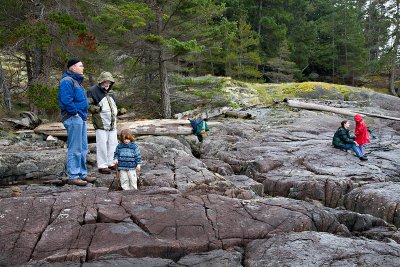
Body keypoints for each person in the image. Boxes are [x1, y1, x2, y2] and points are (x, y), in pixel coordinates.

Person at [58, 57, 96, 185]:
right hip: (73, 117)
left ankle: (82, 174)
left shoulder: (76, 82)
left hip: (80, 118)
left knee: (83, 147)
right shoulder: (67, 81)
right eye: (80, 65)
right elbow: (66, 100)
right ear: (73, 67)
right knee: (75, 148)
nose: (83, 67)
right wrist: (75, 113)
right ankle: (73, 176)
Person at [87, 72, 118, 174]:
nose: (107, 83)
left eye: (109, 81)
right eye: (105, 81)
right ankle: (102, 165)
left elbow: (113, 106)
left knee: (113, 143)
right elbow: (88, 105)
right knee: (102, 145)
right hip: (100, 123)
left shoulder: (111, 92)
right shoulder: (92, 91)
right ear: (101, 81)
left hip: (112, 123)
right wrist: (96, 109)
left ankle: (111, 163)